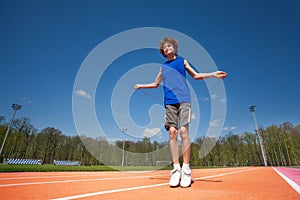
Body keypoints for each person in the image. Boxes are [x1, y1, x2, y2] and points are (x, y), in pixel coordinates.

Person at [134, 37, 227, 187]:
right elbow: (155, 84)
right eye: (164, 47)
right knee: (172, 133)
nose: (166, 48)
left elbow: (196, 76)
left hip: (184, 100)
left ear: (174, 48)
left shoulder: (182, 61)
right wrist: (141, 85)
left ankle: (186, 169)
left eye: (169, 46)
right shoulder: (163, 67)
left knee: (184, 131)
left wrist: (213, 74)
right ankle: (176, 169)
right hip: (169, 102)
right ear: (163, 52)